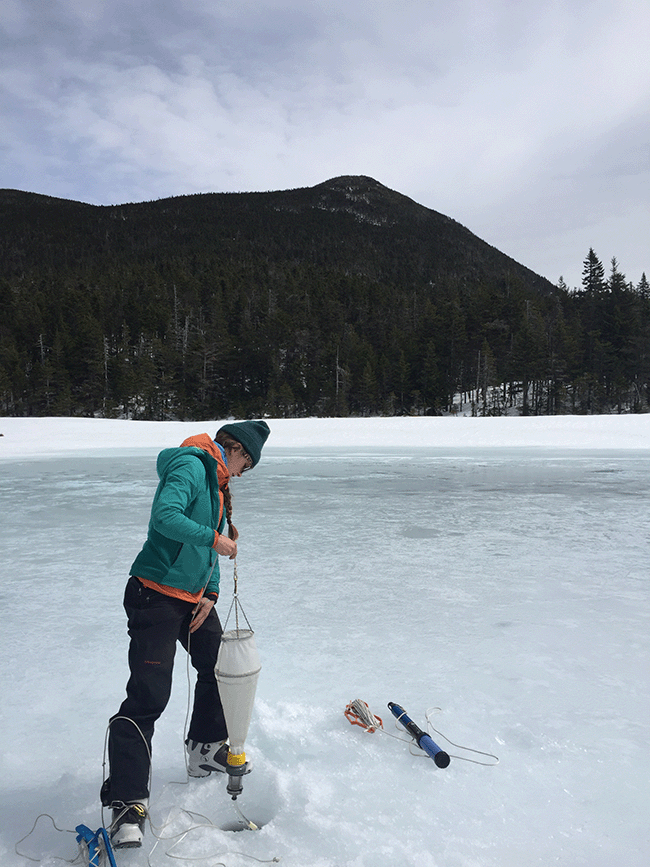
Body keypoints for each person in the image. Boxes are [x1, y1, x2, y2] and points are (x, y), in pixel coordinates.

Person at [101, 420, 270, 849]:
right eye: (244, 466)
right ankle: (127, 802)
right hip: (154, 595)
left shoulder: (217, 484)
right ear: (236, 452)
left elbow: (208, 551)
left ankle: (204, 748)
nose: (240, 475)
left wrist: (210, 593)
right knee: (149, 696)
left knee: (220, 664)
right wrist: (214, 540)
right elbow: (166, 518)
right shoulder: (191, 467)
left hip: (191, 599)